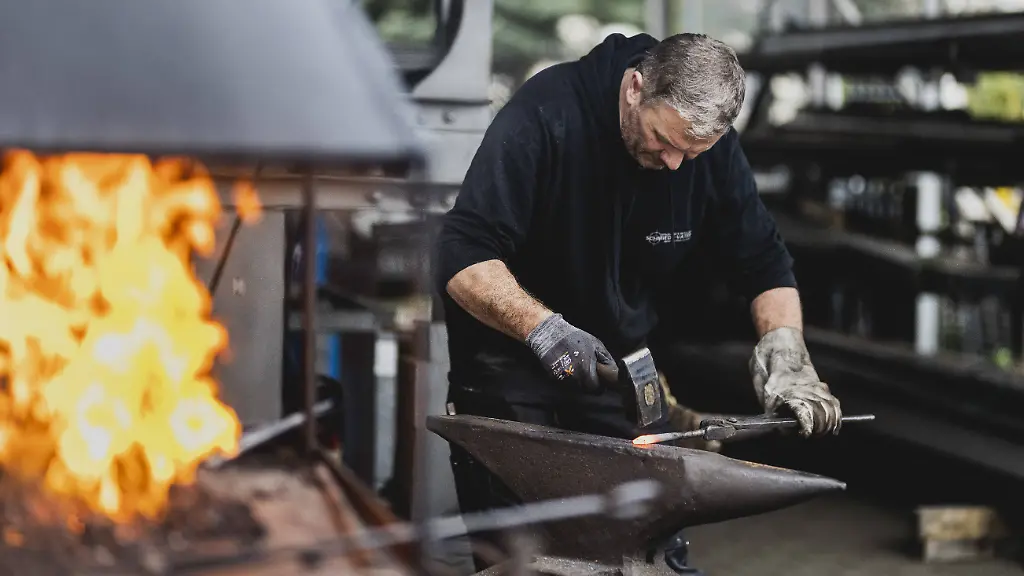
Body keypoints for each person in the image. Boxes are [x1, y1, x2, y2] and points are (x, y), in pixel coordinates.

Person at [434, 31, 843, 569]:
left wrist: (787, 353)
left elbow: (763, 261)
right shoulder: (545, 115)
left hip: (619, 369)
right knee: (527, 558)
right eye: (664, 141)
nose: (675, 164)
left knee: (642, 548)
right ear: (634, 89)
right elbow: (461, 254)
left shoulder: (702, 150)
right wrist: (544, 329)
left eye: (691, 153)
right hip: (508, 366)